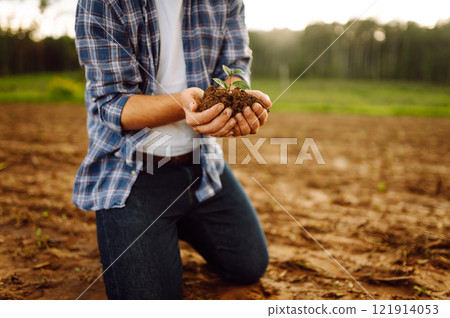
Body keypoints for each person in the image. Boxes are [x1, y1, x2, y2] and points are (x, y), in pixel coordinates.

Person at [74, 0, 272, 299]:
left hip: (202, 164)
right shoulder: (104, 3)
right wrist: (183, 104)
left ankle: (176, 224)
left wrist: (238, 95)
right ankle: (150, 228)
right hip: (132, 170)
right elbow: (110, 102)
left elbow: (235, 65)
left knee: (248, 265)